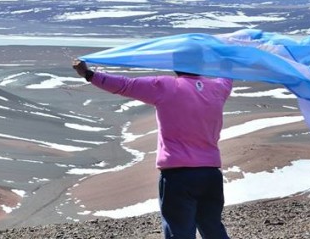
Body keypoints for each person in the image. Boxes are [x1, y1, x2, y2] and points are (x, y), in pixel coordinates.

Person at [72, 59, 232, 239]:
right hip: (211, 175)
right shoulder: (218, 89)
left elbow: (125, 85)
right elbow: (227, 78)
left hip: (178, 176)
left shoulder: (166, 86)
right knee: (213, 230)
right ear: (201, 66)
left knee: (179, 232)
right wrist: (229, 59)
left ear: (175, 66)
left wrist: (89, 75)